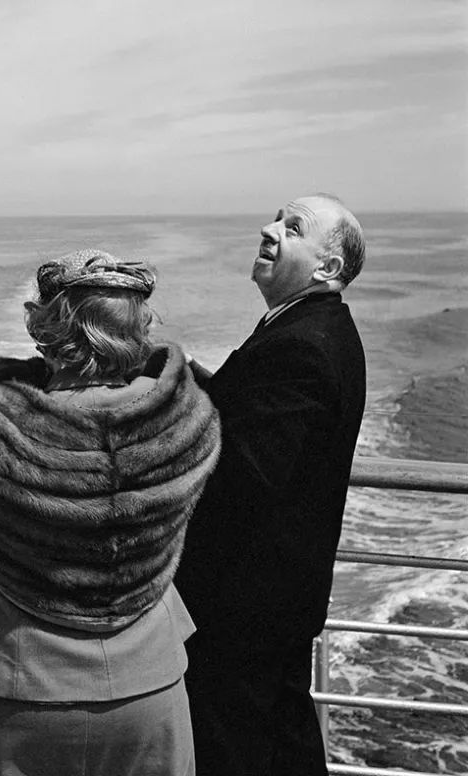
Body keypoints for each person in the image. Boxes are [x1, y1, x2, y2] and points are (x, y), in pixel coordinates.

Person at [0, 248, 221, 776]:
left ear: (48, 324)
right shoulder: (186, 419)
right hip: (150, 681)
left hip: (23, 681)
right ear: (138, 325)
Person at [173, 194, 367, 776]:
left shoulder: (300, 345)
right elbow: (260, 420)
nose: (270, 228)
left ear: (327, 268)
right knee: (284, 744)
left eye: (294, 227)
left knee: (229, 747)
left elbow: (246, 476)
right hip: (277, 596)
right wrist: (197, 379)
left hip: (243, 605)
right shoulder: (309, 328)